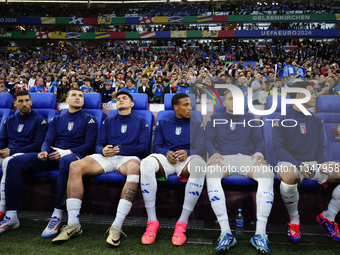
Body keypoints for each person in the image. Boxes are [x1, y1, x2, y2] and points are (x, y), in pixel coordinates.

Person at [52, 91, 149, 246]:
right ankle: (73, 224)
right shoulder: (108, 120)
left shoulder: (141, 120)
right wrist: (102, 150)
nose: (120, 100)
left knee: (135, 169)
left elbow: (144, 148)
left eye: (124, 98)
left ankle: (116, 226)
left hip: (127, 157)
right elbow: (98, 144)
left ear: (132, 104)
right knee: (75, 165)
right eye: (118, 99)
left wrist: (122, 149)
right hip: (107, 156)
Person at [0, 88, 98, 236]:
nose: (77, 98)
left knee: (66, 161)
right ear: (67, 100)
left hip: (76, 155)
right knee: (14, 162)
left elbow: (90, 145)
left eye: (80, 96)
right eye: (74, 95)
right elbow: (48, 140)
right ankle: (12, 216)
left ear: (83, 101)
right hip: (53, 154)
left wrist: (65, 152)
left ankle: (56, 215)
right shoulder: (56, 119)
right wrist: (44, 151)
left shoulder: (90, 119)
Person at [205, 89, 274, 253]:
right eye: (230, 98)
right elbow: (207, 139)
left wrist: (258, 153)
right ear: (224, 102)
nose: (234, 102)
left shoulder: (249, 117)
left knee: (267, 174)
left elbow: (259, 140)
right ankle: (226, 233)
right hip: (223, 158)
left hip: (246, 158)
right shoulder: (215, 118)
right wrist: (213, 152)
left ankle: (260, 234)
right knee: (211, 173)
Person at [272, 81, 340, 243]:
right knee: (288, 178)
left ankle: (328, 216)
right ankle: (294, 221)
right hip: (290, 163)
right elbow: (278, 148)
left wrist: (323, 162)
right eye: (311, 92)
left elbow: (321, 144)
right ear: (300, 96)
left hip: (314, 163)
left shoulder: (316, 119)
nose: (315, 96)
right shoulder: (281, 118)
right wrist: (298, 165)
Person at [140, 93, 206, 246]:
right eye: (186, 105)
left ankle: (182, 223)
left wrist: (187, 153)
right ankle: (152, 222)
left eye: (190, 105)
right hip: (167, 160)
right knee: (146, 163)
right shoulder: (163, 122)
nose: (190, 108)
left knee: (199, 165)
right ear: (176, 107)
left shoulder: (196, 124)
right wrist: (167, 153)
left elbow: (201, 150)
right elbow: (156, 147)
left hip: (187, 160)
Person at [0, 90, 48, 221]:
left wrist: (12, 152)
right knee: (6, 160)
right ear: (15, 103)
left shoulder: (40, 120)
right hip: (8, 152)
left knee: (8, 162)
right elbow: (2, 140)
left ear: (31, 102)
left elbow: (38, 145)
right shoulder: (9, 120)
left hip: (26, 154)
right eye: (20, 101)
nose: (24, 104)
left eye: (27, 101)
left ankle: (2, 208)